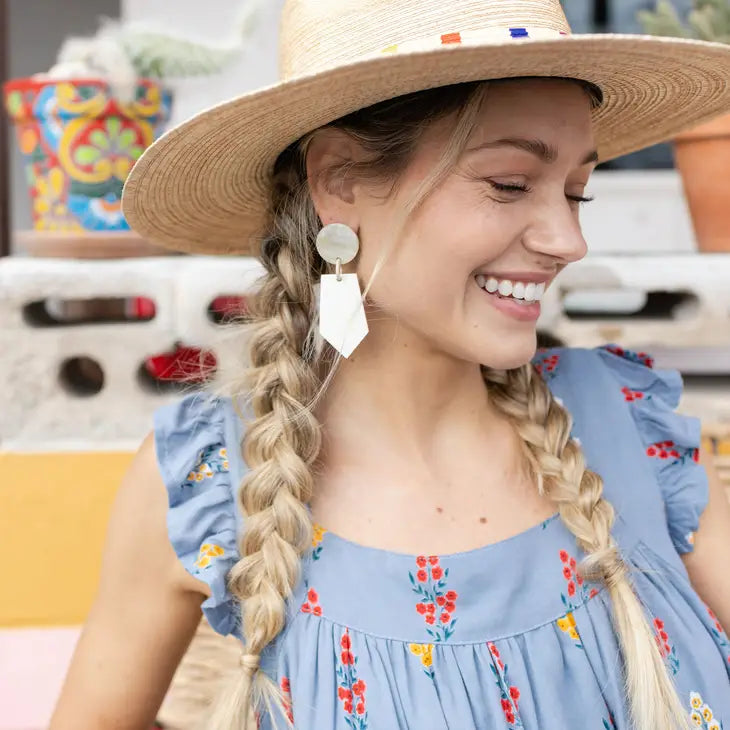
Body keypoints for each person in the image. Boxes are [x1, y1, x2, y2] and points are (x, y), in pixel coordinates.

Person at [50, 1, 730, 729]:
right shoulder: (208, 481)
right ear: (339, 181)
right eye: (508, 183)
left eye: (576, 191)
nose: (569, 239)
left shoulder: (633, 429)